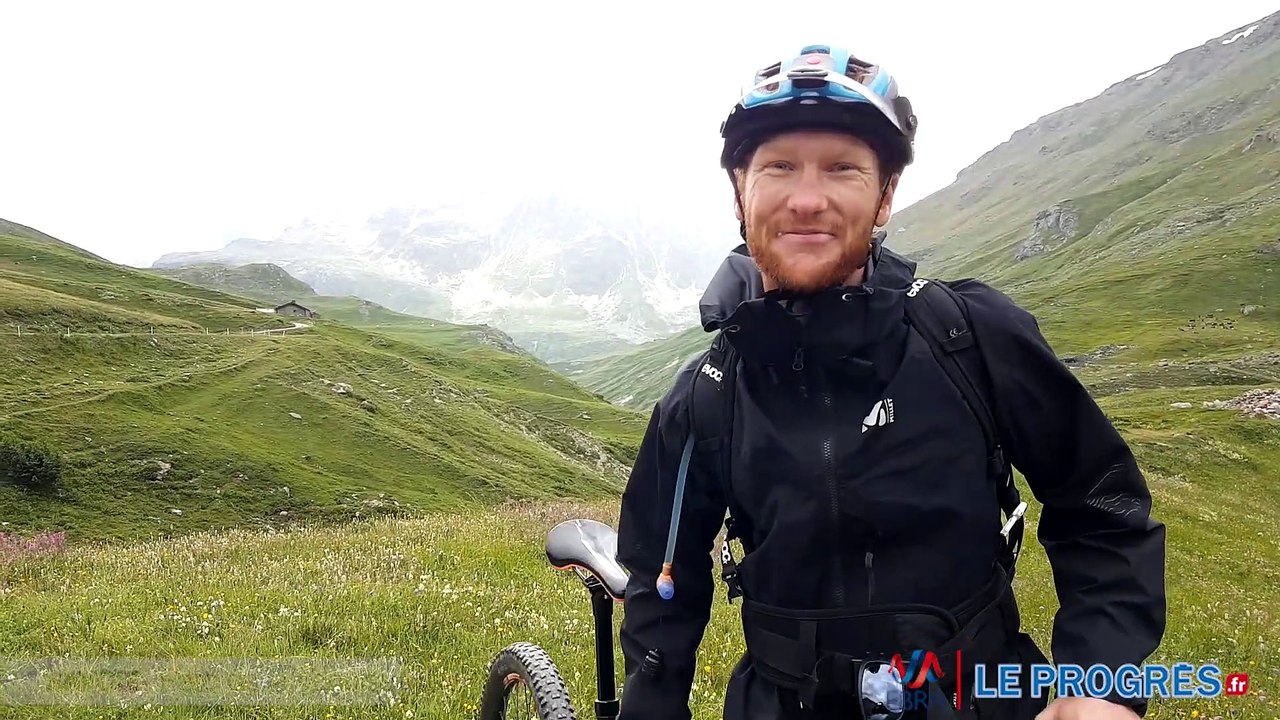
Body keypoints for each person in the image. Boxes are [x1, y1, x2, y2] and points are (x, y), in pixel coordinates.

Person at [614, 44, 1166, 720]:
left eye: (842, 168)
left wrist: (1101, 687)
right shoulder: (706, 393)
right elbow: (660, 583)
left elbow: (1102, 505)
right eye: (779, 167)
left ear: (884, 197)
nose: (807, 199)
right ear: (740, 190)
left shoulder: (970, 338)